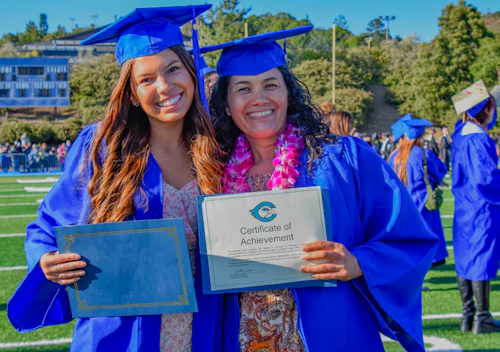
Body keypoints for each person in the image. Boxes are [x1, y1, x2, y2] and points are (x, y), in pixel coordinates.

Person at [7, 5, 227, 351]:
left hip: (201, 332)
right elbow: (48, 224)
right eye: (146, 79)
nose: (165, 86)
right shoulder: (103, 150)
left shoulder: (217, 150)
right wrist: (47, 261)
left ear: (191, 72)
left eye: (173, 69)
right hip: (122, 335)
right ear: (132, 94)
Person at [205, 27, 438, 351]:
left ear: (288, 94)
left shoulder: (344, 159)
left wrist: (358, 262)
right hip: (242, 338)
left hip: (329, 334)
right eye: (243, 88)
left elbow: (409, 238)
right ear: (227, 105)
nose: (259, 98)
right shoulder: (213, 173)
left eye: (271, 84)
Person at [450, 81, 500, 334]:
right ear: (486, 109)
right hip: (482, 207)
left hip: (464, 207)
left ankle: (467, 316)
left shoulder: (460, 133)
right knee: (481, 258)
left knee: (465, 257)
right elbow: (486, 178)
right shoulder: (478, 138)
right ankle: (483, 318)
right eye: (492, 106)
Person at [389, 114, 448, 268]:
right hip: (423, 205)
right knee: (425, 244)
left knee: (408, 246)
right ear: (420, 136)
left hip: (403, 207)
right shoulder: (423, 154)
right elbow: (440, 171)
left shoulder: (394, 156)